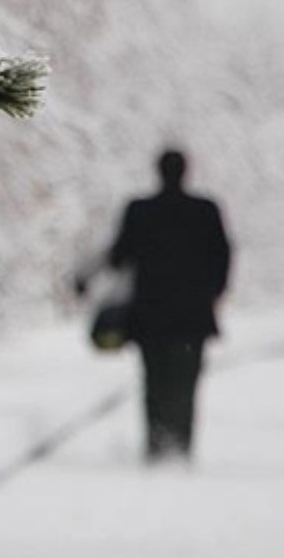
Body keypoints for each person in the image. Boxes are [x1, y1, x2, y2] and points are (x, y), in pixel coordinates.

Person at [99, 149, 231, 463]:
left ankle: (157, 444)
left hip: (150, 314)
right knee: (186, 381)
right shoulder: (205, 210)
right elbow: (222, 257)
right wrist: (212, 293)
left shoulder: (139, 210)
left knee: (154, 379)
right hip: (192, 315)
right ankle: (181, 444)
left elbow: (119, 256)